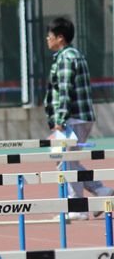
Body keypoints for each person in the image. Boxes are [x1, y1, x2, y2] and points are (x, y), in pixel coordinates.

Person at [44, 17, 113, 220]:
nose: (47, 39)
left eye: (49, 36)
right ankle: (100, 190)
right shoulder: (72, 55)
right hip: (79, 117)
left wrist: (60, 119)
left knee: (63, 159)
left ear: (60, 38)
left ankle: (77, 207)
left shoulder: (66, 57)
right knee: (66, 159)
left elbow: (65, 90)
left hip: (73, 118)